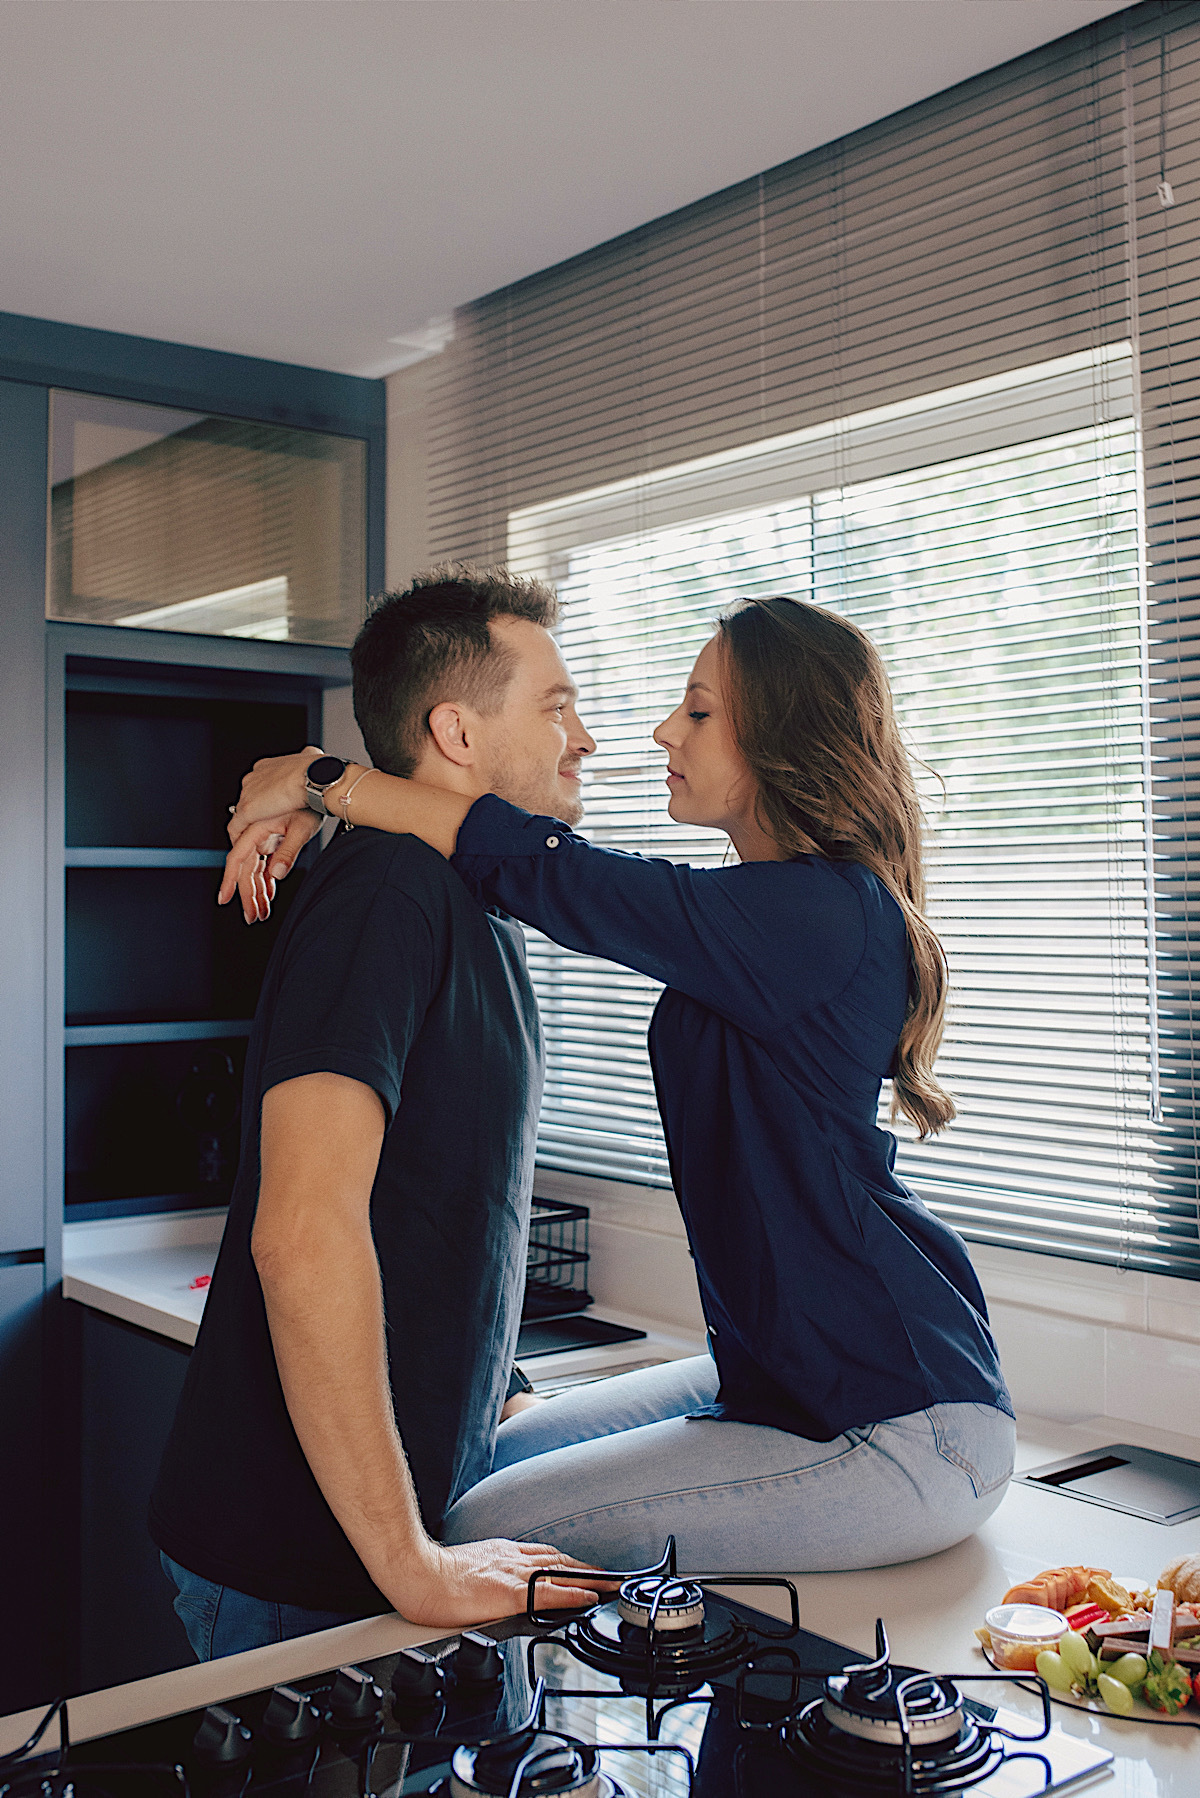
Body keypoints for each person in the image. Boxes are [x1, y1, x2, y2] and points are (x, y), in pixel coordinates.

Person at [223, 592, 1016, 1575]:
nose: (657, 731)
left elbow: (553, 870)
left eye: (697, 710)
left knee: (469, 1532)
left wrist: (326, 780)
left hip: (901, 1420)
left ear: (780, 732)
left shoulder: (821, 910)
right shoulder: (764, 913)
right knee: (477, 1471)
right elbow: (542, 869)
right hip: (788, 1383)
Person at [150, 568, 606, 1661]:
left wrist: (481, 1379)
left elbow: (441, 1193)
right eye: (554, 706)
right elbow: (301, 1232)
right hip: (298, 1565)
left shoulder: (465, 894)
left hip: (389, 1535)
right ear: (454, 728)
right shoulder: (390, 893)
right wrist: (413, 1561)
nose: (583, 737)